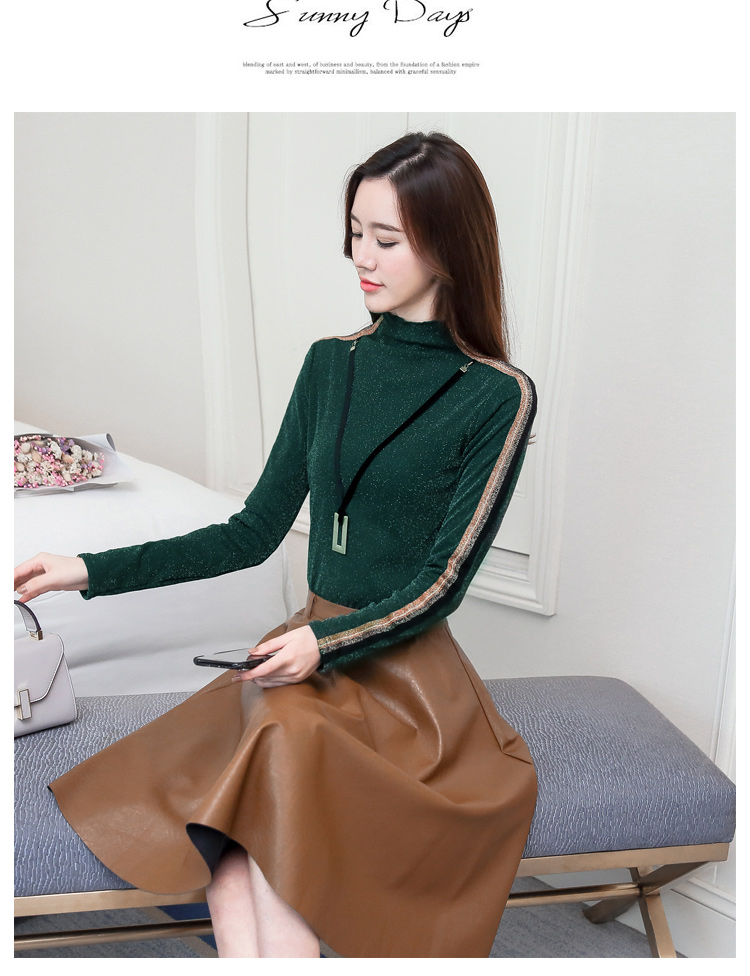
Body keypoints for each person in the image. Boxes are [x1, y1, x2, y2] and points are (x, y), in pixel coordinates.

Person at [14, 131, 538, 958]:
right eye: (355, 233)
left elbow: (444, 581)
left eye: (387, 239)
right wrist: (85, 570)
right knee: (238, 834)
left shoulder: (498, 396)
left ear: (447, 245)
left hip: (405, 682)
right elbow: (251, 532)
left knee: (266, 777)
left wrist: (322, 643)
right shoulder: (331, 365)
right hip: (304, 657)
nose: (361, 257)